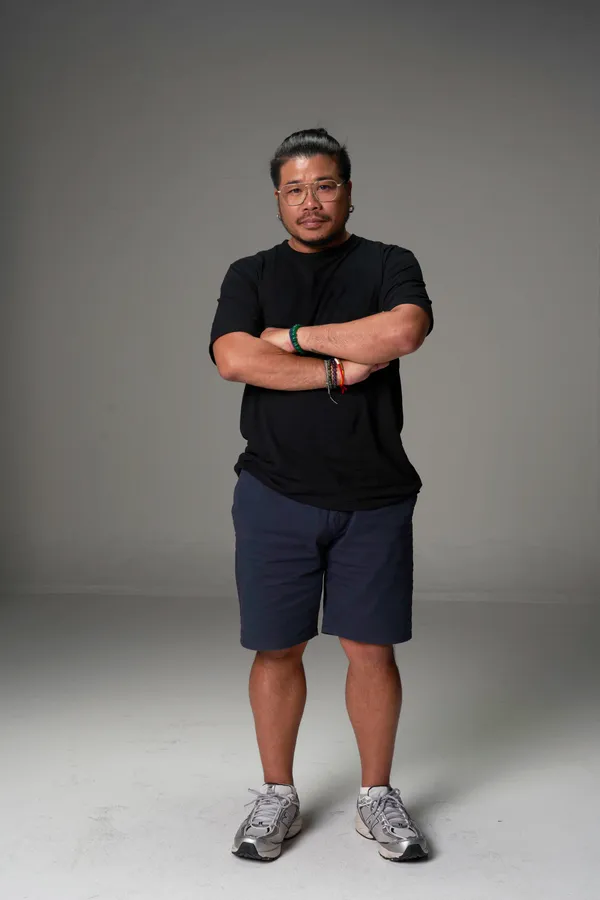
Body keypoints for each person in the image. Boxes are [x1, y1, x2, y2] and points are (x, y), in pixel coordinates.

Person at [209, 128, 434, 864]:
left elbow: (403, 331)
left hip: (375, 494)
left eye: (325, 185)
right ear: (278, 199)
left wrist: (294, 337)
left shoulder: (389, 263)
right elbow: (234, 357)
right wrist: (339, 367)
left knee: (372, 649)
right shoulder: (250, 273)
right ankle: (277, 793)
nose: (311, 201)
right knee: (277, 649)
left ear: (348, 191)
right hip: (274, 491)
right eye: (295, 189)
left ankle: (376, 796)